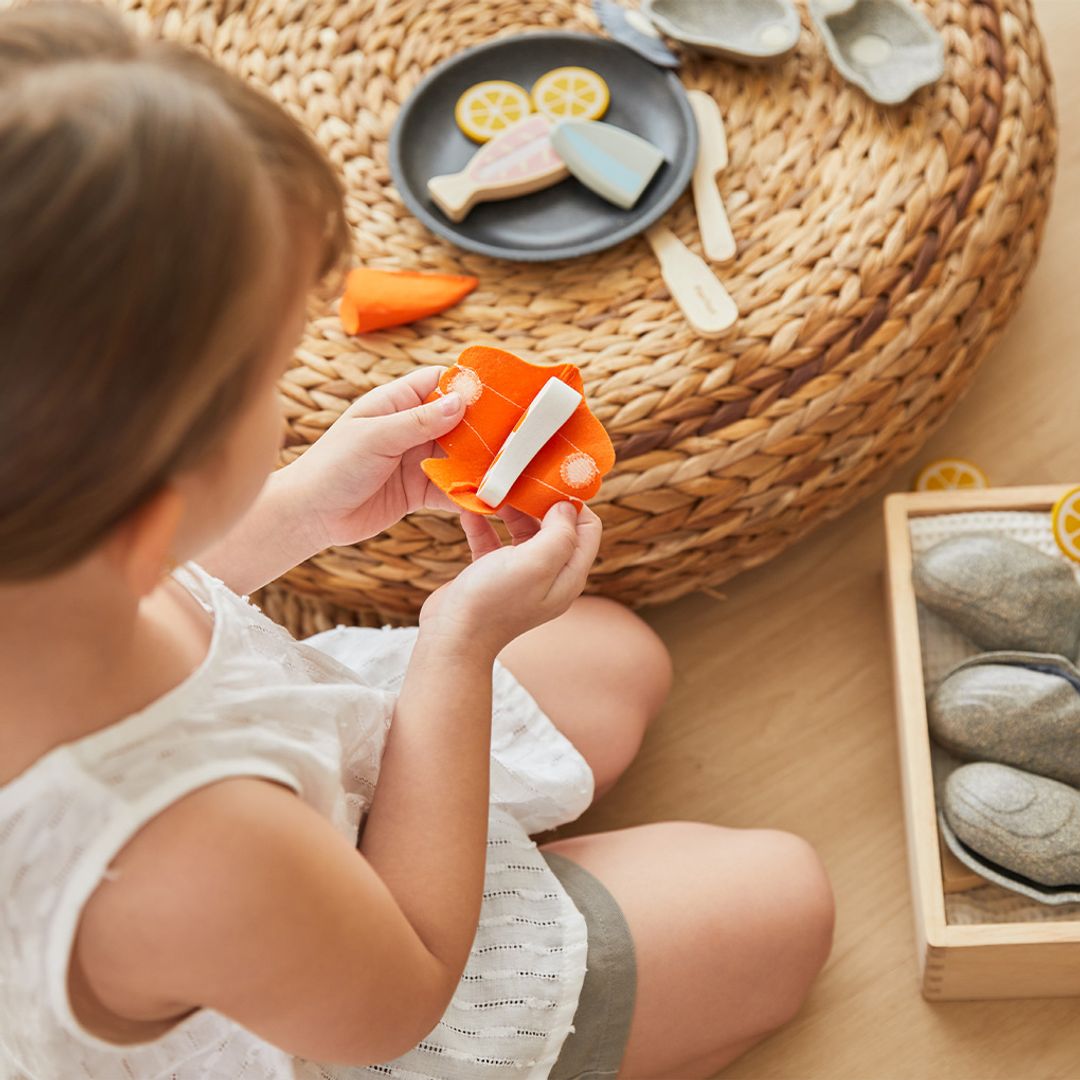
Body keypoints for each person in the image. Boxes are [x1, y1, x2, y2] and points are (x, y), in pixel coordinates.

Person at [0, 5, 834, 1078]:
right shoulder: (187, 850)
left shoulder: (46, 555)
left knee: (615, 657)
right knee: (781, 900)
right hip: (373, 980)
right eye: (271, 380)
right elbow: (401, 991)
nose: (288, 401)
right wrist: (457, 644)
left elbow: (155, 585)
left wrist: (301, 509)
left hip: (295, 794)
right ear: (152, 506)